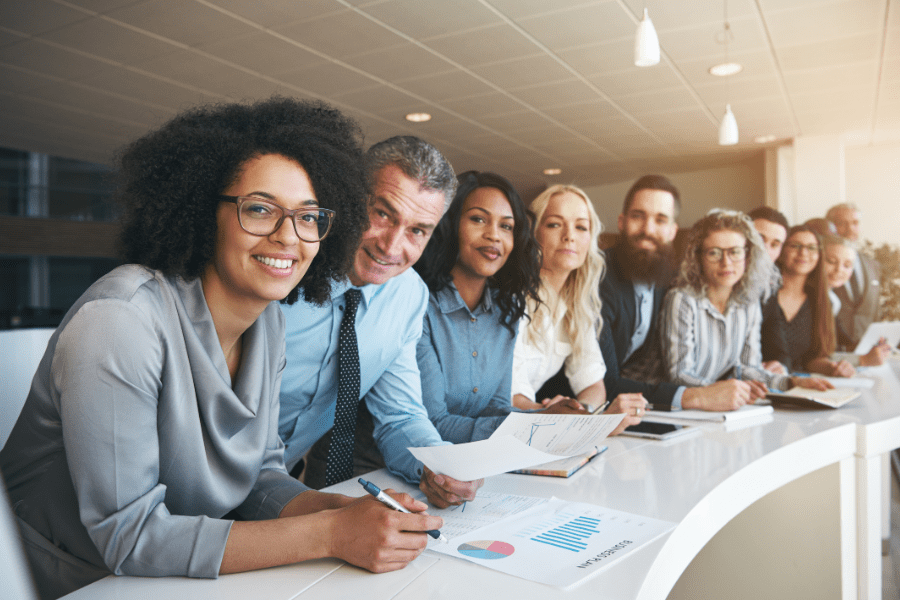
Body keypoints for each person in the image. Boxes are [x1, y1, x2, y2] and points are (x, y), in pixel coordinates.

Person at [0, 99, 442, 600]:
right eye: (259, 208)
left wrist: (334, 512)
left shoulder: (267, 324)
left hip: (174, 573)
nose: (287, 237)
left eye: (308, 216)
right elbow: (128, 538)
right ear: (202, 209)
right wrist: (330, 533)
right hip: (68, 579)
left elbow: (260, 477)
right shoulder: (121, 321)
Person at [278, 136, 482, 509]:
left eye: (417, 230)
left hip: (279, 485)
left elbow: (401, 414)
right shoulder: (283, 267)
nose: (391, 247)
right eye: (383, 214)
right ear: (351, 197)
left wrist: (438, 465)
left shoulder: (407, 296)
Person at [412, 171, 585, 444]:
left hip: (468, 463)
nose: (494, 235)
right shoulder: (419, 306)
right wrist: (533, 428)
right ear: (451, 224)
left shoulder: (506, 309)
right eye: (478, 219)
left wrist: (545, 416)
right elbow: (433, 423)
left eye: (506, 226)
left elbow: (495, 408)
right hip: (396, 469)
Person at [603, 176, 771, 412]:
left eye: (660, 220)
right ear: (621, 222)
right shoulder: (600, 279)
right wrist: (704, 395)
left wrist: (786, 382)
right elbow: (603, 381)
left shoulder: (663, 277)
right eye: (638, 216)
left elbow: (747, 367)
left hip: (636, 405)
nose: (648, 229)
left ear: (673, 231)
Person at [511, 184, 646, 434]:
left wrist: (581, 412)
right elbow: (510, 398)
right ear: (533, 233)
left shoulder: (577, 305)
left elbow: (594, 386)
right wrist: (566, 418)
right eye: (554, 224)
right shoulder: (510, 299)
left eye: (581, 227)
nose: (569, 236)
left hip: (536, 428)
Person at [660, 210, 831, 398]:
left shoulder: (749, 302)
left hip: (721, 406)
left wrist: (792, 382)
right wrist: (725, 391)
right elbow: (679, 375)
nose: (726, 263)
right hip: (680, 408)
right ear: (698, 257)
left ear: (748, 256)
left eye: (735, 252)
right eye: (714, 253)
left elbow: (748, 369)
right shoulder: (681, 299)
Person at [761, 225, 852, 376]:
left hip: (800, 386)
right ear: (781, 251)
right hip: (758, 385)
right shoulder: (764, 295)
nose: (803, 253)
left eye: (811, 248)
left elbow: (811, 359)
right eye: (795, 246)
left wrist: (833, 368)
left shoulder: (819, 302)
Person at [822, 234, 891, 367]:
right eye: (831, 261)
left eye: (847, 265)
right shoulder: (811, 300)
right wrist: (861, 360)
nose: (839, 270)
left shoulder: (834, 300)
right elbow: (813, 357)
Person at [827, 203, 881, 349]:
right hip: (831, 350)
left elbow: (875, 313)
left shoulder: (873, 265)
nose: (850, 229)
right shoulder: (820, 264)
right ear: (831, 227)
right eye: (842, 224)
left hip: (866, 351)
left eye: (855, 223)